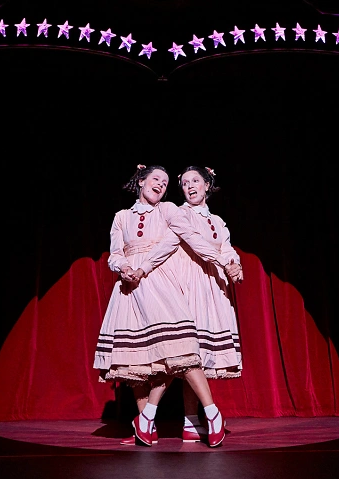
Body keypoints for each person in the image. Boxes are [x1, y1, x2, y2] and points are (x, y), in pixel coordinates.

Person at [93, 164, 237, 448]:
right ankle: (146, 424)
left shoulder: (169, 210)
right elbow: (115, 254)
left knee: (180, 348)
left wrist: (224, 261)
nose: (161, 184)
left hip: (160, 280)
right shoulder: (121, 217)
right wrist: (123, 267)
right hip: (129, 286)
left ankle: (210, 413)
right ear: (141, 181)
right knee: (136, 358)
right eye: (156, 179)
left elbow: (187, 240)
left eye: (166, 182)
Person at [136, 165, 244, 443]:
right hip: (188, 286)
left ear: (207, 185)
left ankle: (191, 421)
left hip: (212, 289)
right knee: (181, 355)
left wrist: (234, 264)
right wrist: (143, 268)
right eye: (184, 183)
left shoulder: (217, 221)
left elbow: (226, 247)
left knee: (197, 361)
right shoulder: (179, 214)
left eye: (195, 181)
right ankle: (149, 415)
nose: (190, 186)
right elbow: (176, 246)